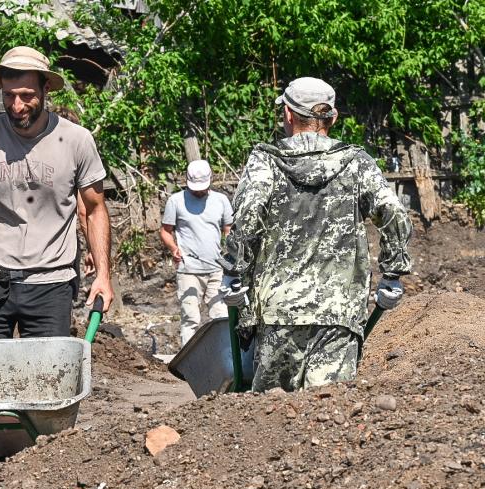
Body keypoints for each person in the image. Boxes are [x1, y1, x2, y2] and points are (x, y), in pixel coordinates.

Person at [219, 77, 411, 392]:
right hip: (339, 311)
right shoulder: (357, 163)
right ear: (332, 118)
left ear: (288, 114)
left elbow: (249, 214)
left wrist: (233, 271)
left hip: (279, 310)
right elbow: (393, 212)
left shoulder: (266, 160)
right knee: (328, 409)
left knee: (271, 412)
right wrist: (392, 273)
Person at [0, 46, 113, 339]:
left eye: (26, 95)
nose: (16, 106)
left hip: (51, 282)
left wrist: (103, 274)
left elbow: (93, 210)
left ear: (46, 88)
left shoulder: (76, 141)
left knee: (48, 369)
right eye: (9, 95)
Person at [160, 159, 234, 346]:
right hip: (189, 270)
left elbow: (229, 230)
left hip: (217, 269)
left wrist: (231, 253)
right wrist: (174, 249)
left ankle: (223, 355)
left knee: (221, 316)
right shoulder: (176, 201)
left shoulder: (221, 201)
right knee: (190, 318)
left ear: (210, 179)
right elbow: (165, 231)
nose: (199, 191)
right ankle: (189, 360)